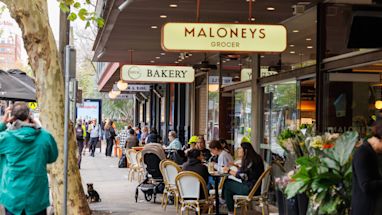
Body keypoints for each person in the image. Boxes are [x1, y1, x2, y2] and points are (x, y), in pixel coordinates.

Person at [0, 103, 58, 215]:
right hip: (37, 198)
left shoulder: (6, 138)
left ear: (13, 117)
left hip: (13, 197)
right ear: (30, 115)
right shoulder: (45, 136)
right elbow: (52, 157)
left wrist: (3, 123)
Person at [222, 141, 264, 214]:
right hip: (254, 188)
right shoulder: (254, 158)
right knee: (228, 185)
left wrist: (228, 170)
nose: (238, 150)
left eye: (240, 148)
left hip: (250, 189)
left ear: (246, 150)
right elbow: (248, 172)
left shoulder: (250, 160)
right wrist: (237, 167)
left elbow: (243, 176)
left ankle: (230, 210)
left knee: (227, 184)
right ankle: (227, 205)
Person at [352, 119, 382, 215]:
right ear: (379, 139)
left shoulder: (374, 153)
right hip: (366, 209)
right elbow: (366, 185)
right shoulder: (363, 153)